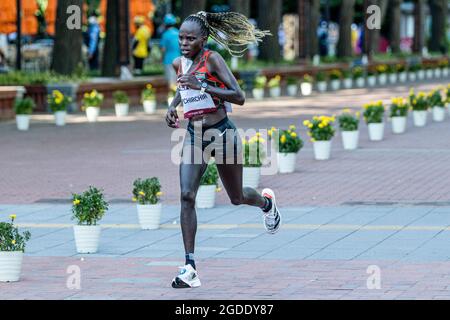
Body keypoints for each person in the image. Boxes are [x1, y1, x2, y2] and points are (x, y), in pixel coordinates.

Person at [165, 11, 280, 289]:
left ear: (203, 40)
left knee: (237, 197)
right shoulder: (179, 62)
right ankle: (189, 266)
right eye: (181, 37)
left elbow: (239, 97)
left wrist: (204, 85)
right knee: (186, 195)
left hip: (223, 134)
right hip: (194, 135)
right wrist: (171, 107)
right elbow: (183, 87)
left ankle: (267, 204)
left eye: (190, 38)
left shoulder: (213, 60)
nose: (184, 42)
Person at [160, 14, 180, 87]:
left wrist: (161, 58)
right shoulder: (178, 33)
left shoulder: (165, 35)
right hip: (179, 58)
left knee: (170, 82)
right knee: (178, 80)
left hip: (168, 60)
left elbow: (163, 49)